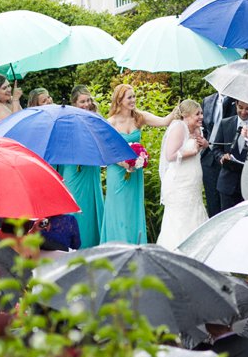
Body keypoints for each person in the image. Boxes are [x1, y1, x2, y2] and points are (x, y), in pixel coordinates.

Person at [100, 83, 174, 244]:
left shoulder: (140, 117)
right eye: (129, 97)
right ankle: (117, 246)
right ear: (119, 100)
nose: (133, 100)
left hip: (135, 173)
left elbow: (164, 121)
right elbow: (105, 151)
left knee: (132, 210)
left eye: (134, 96)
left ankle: (134, 245)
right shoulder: (110, 122)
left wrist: (178, 110)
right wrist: (124, 164)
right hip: (117, 172)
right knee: (118, 209)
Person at [156, 99, 209, 250]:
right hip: (179, 183)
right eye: (197, 114)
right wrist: (191, 151)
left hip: (193, 183)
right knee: (180, 218)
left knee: (194, 213)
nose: (201, 117)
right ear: (186, 115)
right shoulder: (179, 128)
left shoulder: (198, 129)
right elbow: (170, 155)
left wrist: (204, 144)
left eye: (201, 113)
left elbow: (201, 147)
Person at [57, 85, 104, 248]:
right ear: (74, 103)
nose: (86, 104)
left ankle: (92, 244)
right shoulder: (66, 119)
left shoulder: (96, 118)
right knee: (74, 203)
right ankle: (71, 244)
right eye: (82, 101)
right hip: (73, 168)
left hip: (90, 168)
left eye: (88, 100)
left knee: (90, 207)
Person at [212, 100, 248, 211]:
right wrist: (221, 157)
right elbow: (216, 148)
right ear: (235, 105)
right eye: (240, 107)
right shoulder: (225, 123)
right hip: (227, 184)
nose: (243, 112)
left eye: (247, 108)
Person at [200, 92, 236, 217]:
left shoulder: (238, 101)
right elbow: (203, 127)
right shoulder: (207, 100)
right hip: (208, 160)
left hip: (227, 159)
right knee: (212, 203)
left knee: (227, 207)